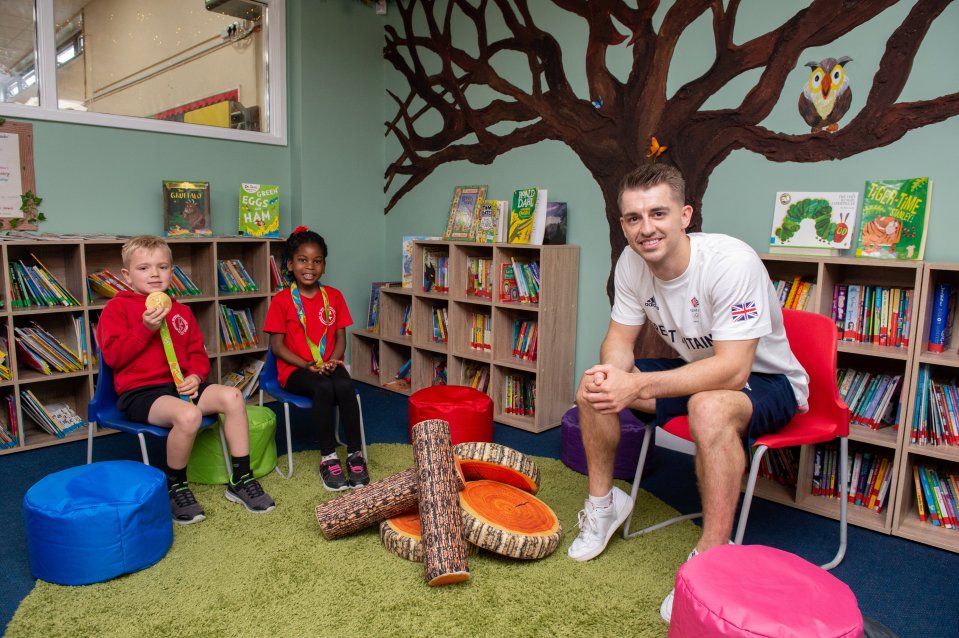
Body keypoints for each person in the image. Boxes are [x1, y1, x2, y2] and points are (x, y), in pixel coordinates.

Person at [567, 164, 809, 623]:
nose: (646, 228)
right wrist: (614, 376)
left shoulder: (730, 262)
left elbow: (734, 371)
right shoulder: (631, 265)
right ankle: (603, 505)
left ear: (685, 215)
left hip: (769, 381)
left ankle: (714, 554)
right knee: (593, 384)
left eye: (658, 213)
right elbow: (620, 341)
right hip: (697, 369)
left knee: (710, 406)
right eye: (633, 218)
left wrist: (636, 385)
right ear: (623, 225)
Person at [97, 235, 276, 525]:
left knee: (231, 396)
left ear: (172, 271)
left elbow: (197, 354)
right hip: (141, 393)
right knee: (189, 415)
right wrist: (145, 329)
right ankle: (176, 485)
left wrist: (195, 376)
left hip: (180, 387)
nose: (154, 274)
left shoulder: (181, 311)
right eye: (144, 268)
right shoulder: (117, 309)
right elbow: (115, 357)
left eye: (162, 266)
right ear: (127, 276)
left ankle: (241, 478)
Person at [263, 226, 369, 491]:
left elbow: (341, 338)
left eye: (317, 260)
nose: (309, 266)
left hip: (329, 363)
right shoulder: (282, 300)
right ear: (290, 264)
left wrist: (333, 360)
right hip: (295, 369)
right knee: (322, 387)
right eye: (302, 260)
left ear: (323, 265)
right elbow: (277, 347)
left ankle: (355, 454)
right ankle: (329, 457)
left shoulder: (334, 296)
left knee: (344, 385)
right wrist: (308, 365)